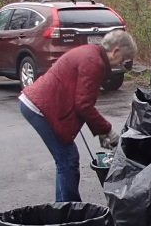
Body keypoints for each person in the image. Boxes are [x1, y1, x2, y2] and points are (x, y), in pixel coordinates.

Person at [19, 29, 138, 202]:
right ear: (116, 51)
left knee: (66, 159)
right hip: (40, 107)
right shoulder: (94, 62)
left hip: (41, 104)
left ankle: (64, 209)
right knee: (67, 160)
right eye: (123, 59)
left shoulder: (91, 53)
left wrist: (101, 132)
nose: (120, 64)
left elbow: (79, 99)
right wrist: (107, 131)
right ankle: (70, 213)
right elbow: (83, 106)